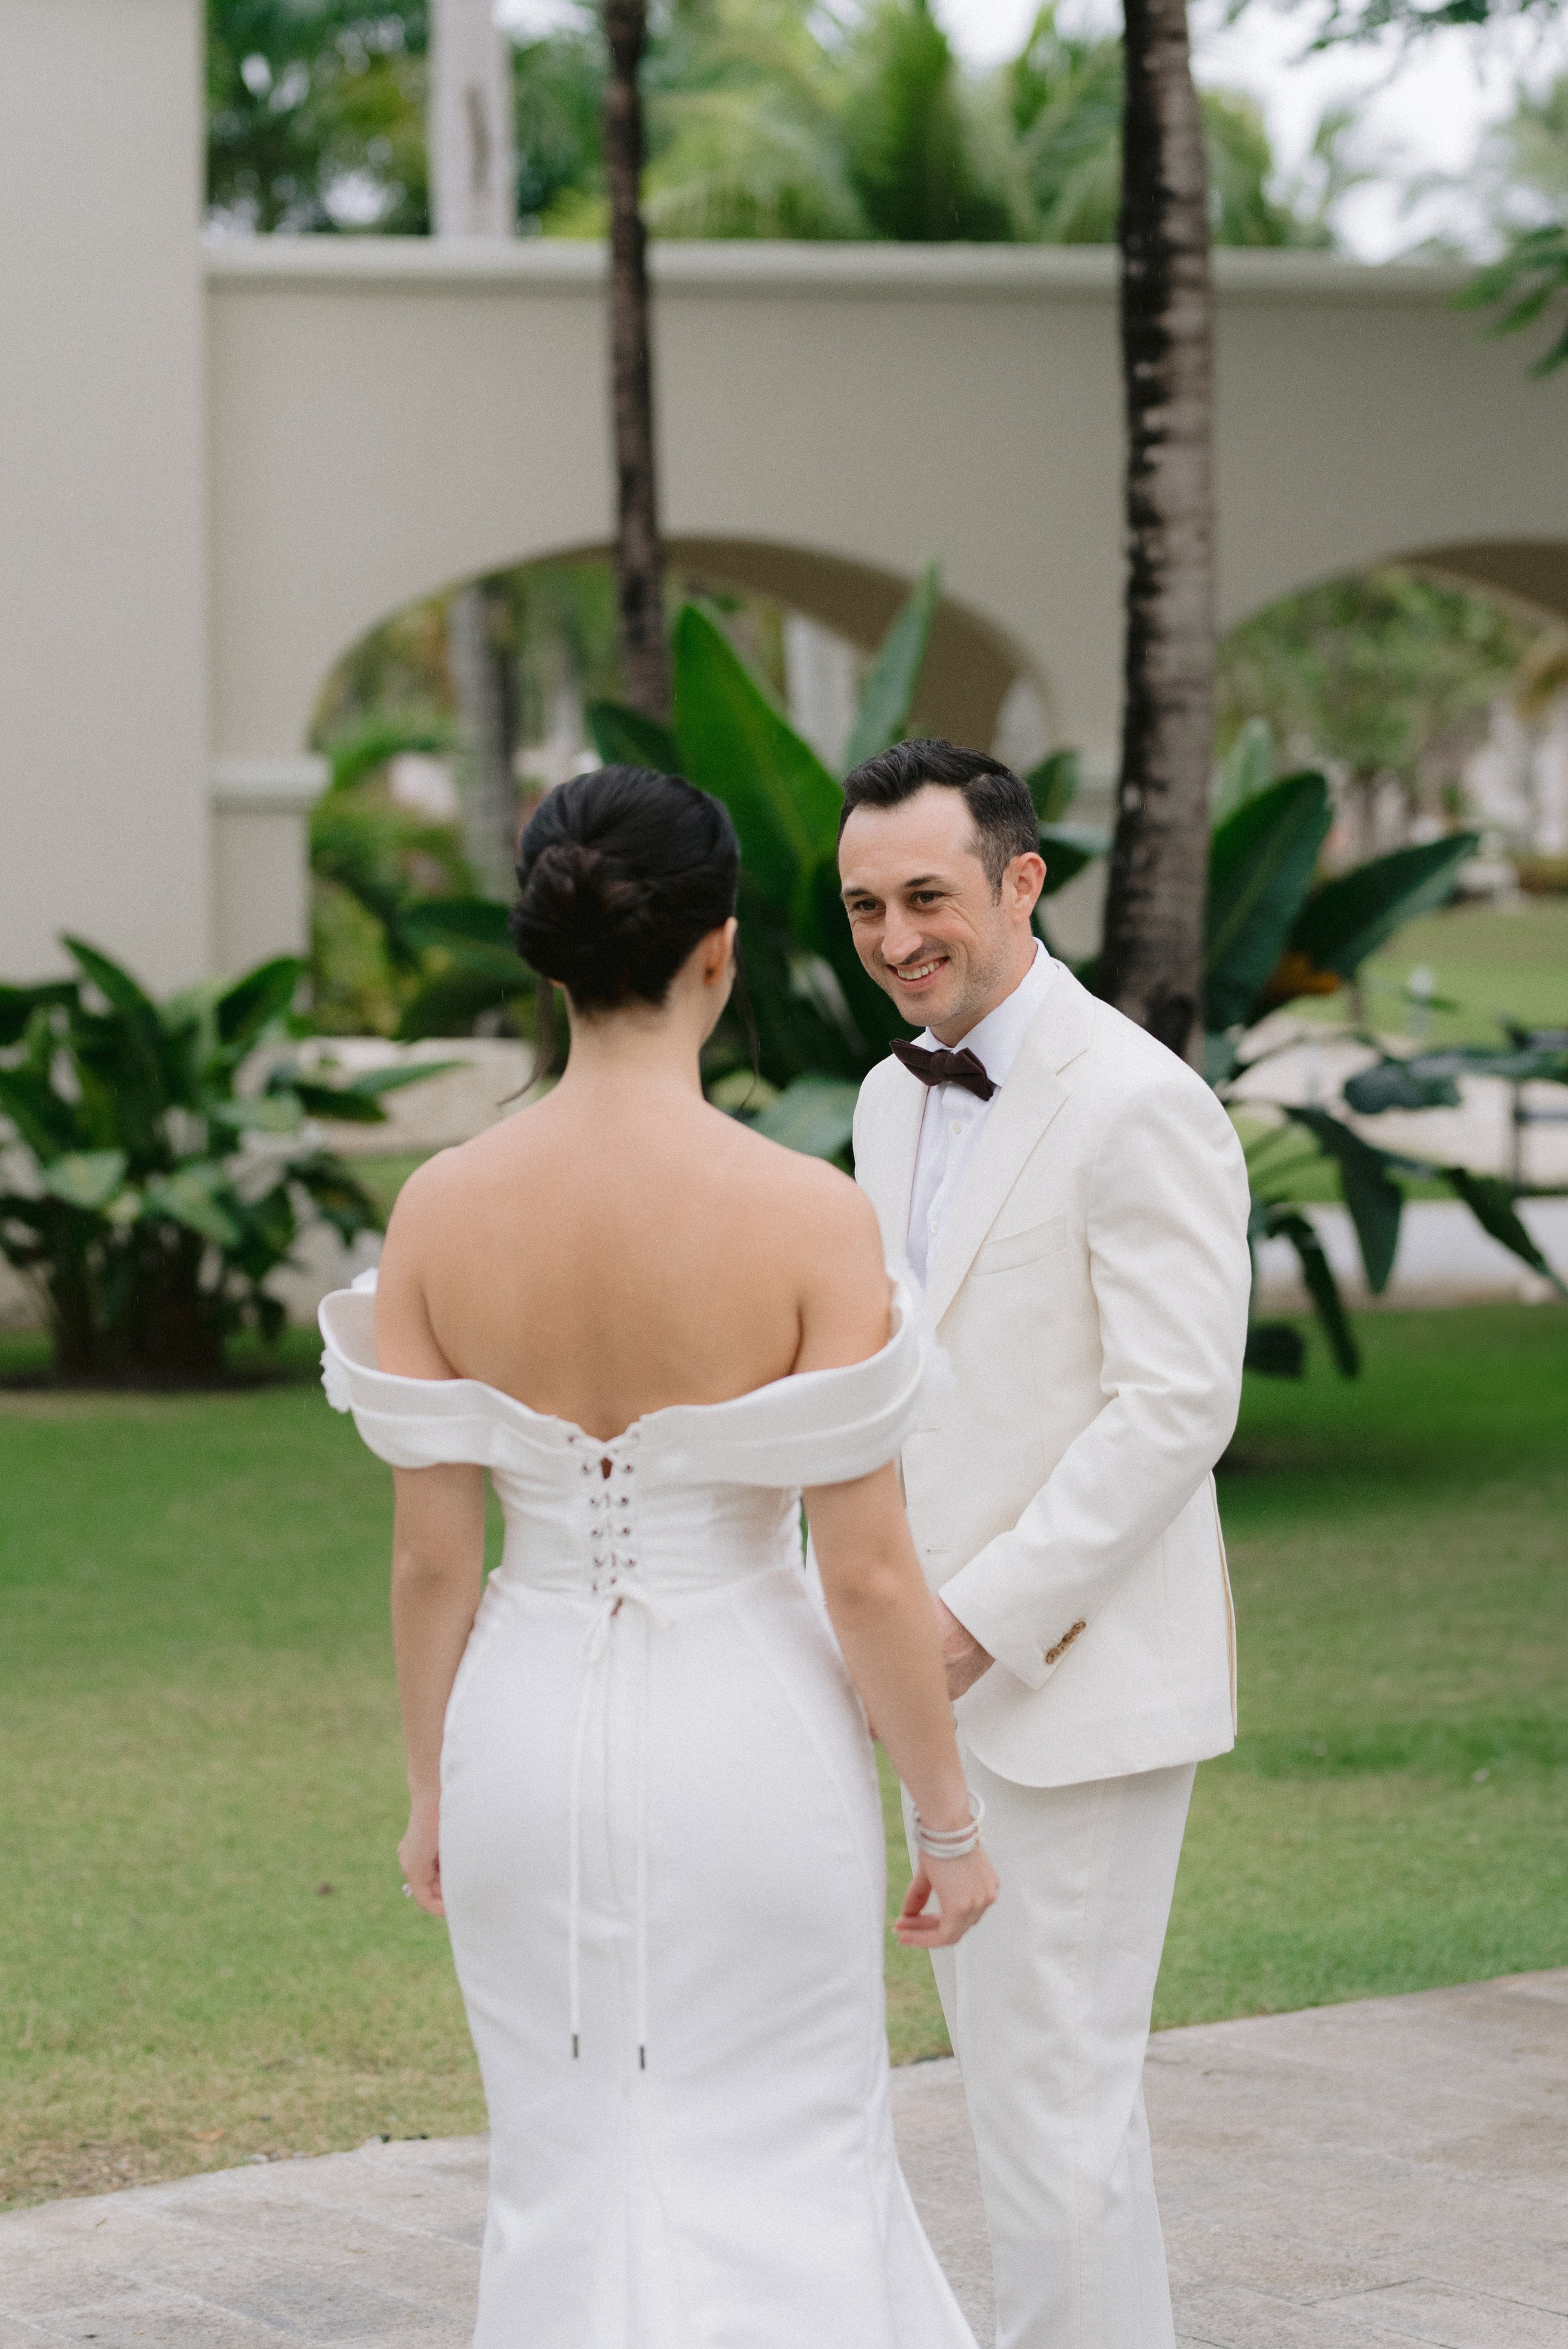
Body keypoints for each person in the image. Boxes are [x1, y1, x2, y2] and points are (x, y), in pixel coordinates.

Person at [319, 763, 997, 2349]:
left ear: (551, 960)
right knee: (796, 2157)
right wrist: (947, 1816)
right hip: (753, 1740)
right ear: (720, 953)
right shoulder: (807, 1214)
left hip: (527, 1735)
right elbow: (871, 1574)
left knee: (566, 2162)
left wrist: (433, 1786)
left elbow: (434, 1560)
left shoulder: (438, 1208)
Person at [839, 741, 1251, 2349]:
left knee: (1054, 2111)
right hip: (921, 1668)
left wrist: (972, 1623)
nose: (893, 935)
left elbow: (1174, 1405)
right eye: (867, 904)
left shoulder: (1140, 1098)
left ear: (1022, 881)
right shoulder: (889, 1096)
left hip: (1063, 1684)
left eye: (927, 895)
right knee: (1034, 2106)